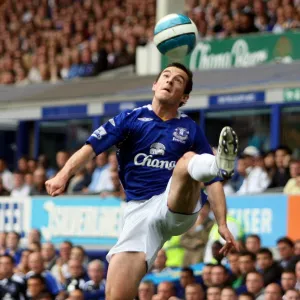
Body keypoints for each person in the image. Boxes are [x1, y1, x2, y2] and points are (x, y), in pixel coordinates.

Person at [46, 62, 239, 300]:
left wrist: (221, 223)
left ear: (185, 98)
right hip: (138, 212)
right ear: (155, 84)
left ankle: (218, 162)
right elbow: (91, 148)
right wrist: (63, 174)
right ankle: (216, 163)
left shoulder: (189, 128)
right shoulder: (130, 119)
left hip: (175, 206)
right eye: (166, 76)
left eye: (177, 80)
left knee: (188, 161)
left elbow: (213, 183)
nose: (169, 81)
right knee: (115, 295)